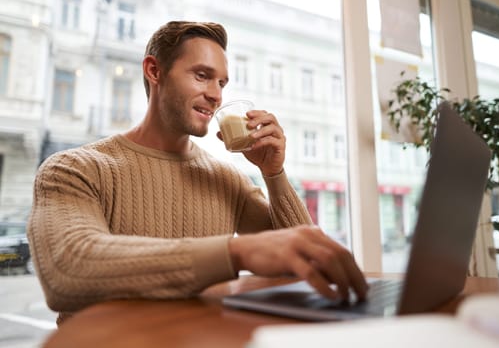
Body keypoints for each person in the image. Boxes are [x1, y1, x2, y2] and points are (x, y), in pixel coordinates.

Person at [27, 21, 368, 324]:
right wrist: (236, 253)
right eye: (202, 75)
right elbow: (67, 270)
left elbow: (303, 263)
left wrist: (274, 173)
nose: (216, 95)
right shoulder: (73, 168)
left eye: (221, 82)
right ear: (154, 71)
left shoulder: (227, 178)